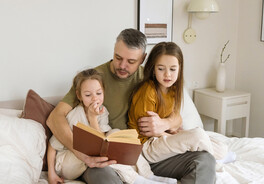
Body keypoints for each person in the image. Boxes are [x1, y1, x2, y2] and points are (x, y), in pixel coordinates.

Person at [46, 28, 216, 184]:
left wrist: (165, 124)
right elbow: (55, 118)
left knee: (204, 161)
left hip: (146, 155)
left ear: (143, 58)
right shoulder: (94, 80)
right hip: (107, 160)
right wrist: (81, 154)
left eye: (131, 61)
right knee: (103, 176)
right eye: (118, 57)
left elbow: (177, 115)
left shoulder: (150, 77)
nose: (122, 65)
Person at [47, 68, 176, 184]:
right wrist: (51, 174)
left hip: (88, 161)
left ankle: (149, 175)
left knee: (114, 134)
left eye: (98, 93)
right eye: (88, 95)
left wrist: (95, 118)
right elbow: (53, 145)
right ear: (79, 95)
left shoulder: (103, 111)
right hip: (67, 163)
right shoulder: (74, 116)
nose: (94, 99)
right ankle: (138, 180)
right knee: (101, 152)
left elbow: (100, 141)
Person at [128, 42, 230, 165]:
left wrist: (169, 129)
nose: (167, 74)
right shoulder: (148, 91)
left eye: (172, 69)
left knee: (218, 144)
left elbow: (177, 120)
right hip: (146, 146)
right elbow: (147, 132)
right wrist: (173, 134)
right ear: (153, 69)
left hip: (163, 138)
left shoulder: (173, 90)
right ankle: (216, 160)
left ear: (179, 68)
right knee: (197, 135)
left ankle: (218, 156)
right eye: (161, 69)